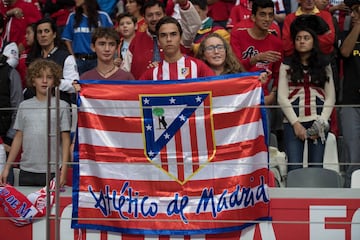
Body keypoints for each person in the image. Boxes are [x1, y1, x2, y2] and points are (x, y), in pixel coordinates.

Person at [0, 59, 71, 187]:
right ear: (33, 81)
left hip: (53, 171)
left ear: (55, 81)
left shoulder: (62, 106)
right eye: (39, 77)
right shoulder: (24, 106)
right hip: (27, 170)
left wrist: (64, 171)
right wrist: (7, 167)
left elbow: (66, 140)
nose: (44, 81)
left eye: (49, 77)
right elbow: (18, 137)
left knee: (52, 207)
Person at [277, 26, 335, 173]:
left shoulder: (324, 64)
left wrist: (321, 123)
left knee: (316, 167)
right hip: (293, 122)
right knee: (294, 168)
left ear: (313, 41)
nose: (302, 41)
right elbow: (282, 97)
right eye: (298, 38)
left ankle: (316, 196)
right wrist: (296, 124)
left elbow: (330, 97)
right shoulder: (286, 65)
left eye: (306, 38)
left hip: (319, 120)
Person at [121, 0, 202, 79]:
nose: (154, 18)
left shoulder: (177, 36)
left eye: (158, 14)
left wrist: (184, 4)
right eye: (150, 15)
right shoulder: (136, 41)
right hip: (143, 90)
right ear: (144, 19)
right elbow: (124, 72)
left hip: (174, 90)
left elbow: (194, 25)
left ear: (165, 15)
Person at [230, 0, 282, 106]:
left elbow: (278, 75)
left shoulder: (277, 43)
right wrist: (256, 58)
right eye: (262, 15)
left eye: (270, 15)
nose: (267, 19)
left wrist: (272, 95)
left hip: (263, 97)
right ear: (253, 17)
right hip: (239, 94)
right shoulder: (238, 35)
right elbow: (234, 68)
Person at [140, 16, 214, 80]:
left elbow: (216, 89)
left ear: (180, 38)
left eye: (173, 34)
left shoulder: (198, 67)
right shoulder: (152, 73)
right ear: (158, 41)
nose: (169, 39)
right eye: (163, 35)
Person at [339, 0, 360, 187]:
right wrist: (359, 25)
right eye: (351, 11)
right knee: (352, 158)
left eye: (356, 11)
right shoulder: (348, 34)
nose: (352, 15)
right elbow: (345, 51)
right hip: (351, 103)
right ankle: (350, 199)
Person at [61, 0, 113, 75]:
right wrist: (73, 58)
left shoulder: (103, 16)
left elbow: (112, 39)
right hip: (79, 61)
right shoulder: (72, 17)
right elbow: (67, 40)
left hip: (99, 61)